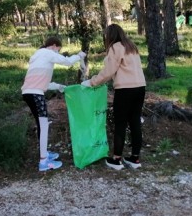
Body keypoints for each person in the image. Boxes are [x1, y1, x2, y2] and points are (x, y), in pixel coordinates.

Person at [81, 24, 146, 170]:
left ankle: (117, 160)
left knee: (120, 123)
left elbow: (108, 71)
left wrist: (91, 82)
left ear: (110, 36)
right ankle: (135, 159)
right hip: (140, 87)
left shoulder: (115, 47)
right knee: (135, 121)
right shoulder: (131, 46)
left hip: (125, 90)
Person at [22, 37, 85, 171]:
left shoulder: (38, 56)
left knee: (41, 124)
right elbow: (67, 62)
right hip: (36, 94)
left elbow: (41, 82)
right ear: (54, 45)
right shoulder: (48, 53)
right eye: (58, 49)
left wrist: (58, 86)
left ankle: (43, 154)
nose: (58, 52)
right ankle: (43, 162)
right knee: (44, 125)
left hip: (28, 93)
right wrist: (79, 56)